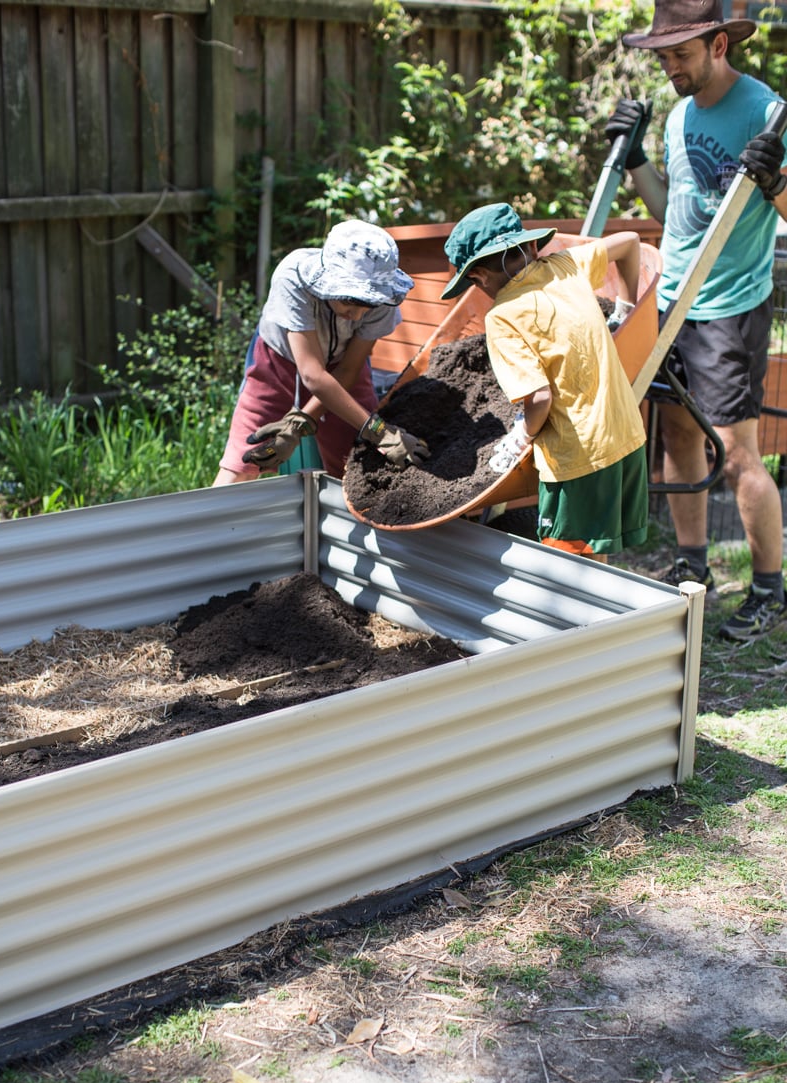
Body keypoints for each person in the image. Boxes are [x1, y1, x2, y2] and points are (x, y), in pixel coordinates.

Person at [606, 0, 787, 640]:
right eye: (662, 57)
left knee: (737, 456)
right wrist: (633, 160)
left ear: (718, 45)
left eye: (680, 54)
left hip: (730, 304)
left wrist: (774, 181)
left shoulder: (767, 112)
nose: (670, 68)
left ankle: (769, 591)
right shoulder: (680, 114)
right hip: (672, 300)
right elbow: (674, 209)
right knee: (676, 438)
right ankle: (693, 568)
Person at [440, 202, 648, 562]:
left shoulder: (503, 316)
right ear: (533, 247)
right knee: (595, 556)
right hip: (626, 435)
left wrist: (520, 437)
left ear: (478, 277)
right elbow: (631, 242)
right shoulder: (565, 265)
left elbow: (538, 397)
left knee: (570, 566)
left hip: (579, 457)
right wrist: (625, 309)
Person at [212, 220, 429, 485]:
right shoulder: (293, 278)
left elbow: (348, 370)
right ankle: (205, 526)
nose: (357, 314)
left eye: (368, 305)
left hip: (342, 369)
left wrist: (298, 425)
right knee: (244, 461)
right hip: (278, 364)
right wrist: (380, 431)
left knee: (358, 463)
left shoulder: (384, 298)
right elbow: (313, 374)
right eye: (350, 300)